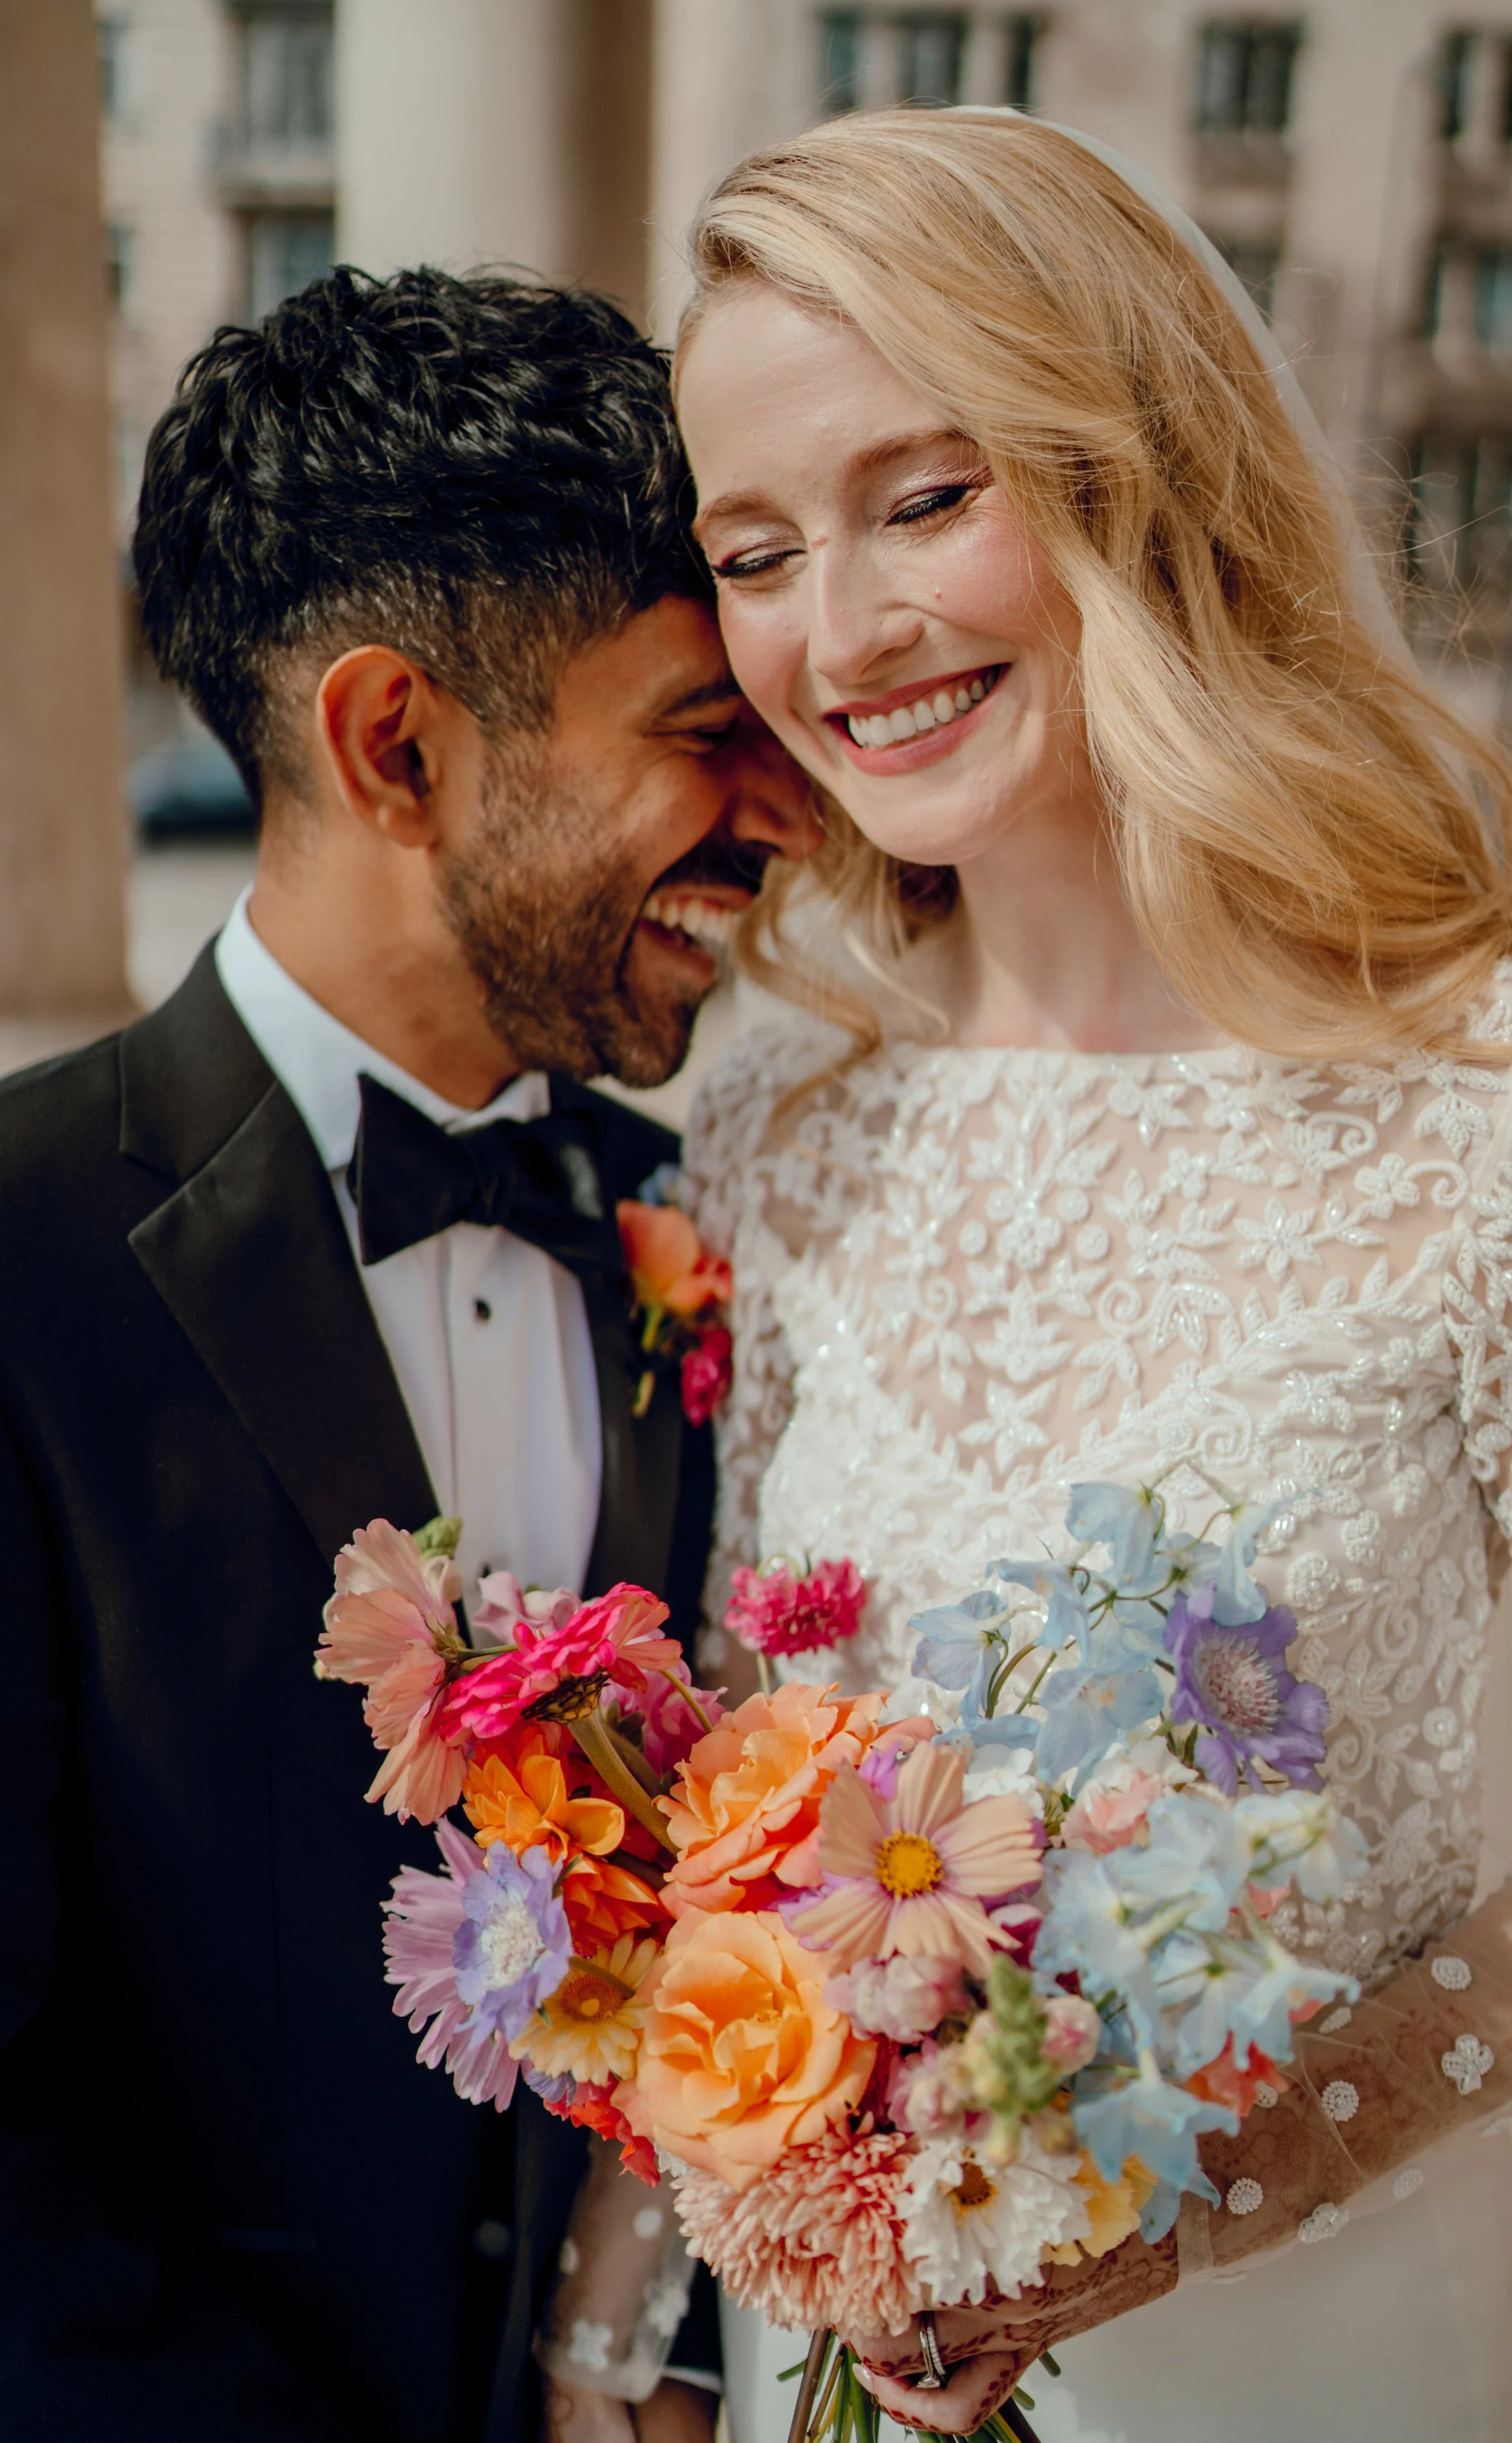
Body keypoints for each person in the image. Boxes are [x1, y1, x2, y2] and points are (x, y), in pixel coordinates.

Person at [671, 109, 1512, 2443]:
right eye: (754, 549)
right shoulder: (770, 1114)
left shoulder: (1510, 1095)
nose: (841, 631)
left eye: (923, 498)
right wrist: (649, 2310)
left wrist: (1221, 2175)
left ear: (1138, 476)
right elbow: (717, 1767)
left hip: (1314, 2352)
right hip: (841, 2357)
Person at [0, 266, 813, 2443]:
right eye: (698, 729)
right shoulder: (15, 1258)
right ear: (398, 744)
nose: (788, 816)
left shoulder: (711, 1228)